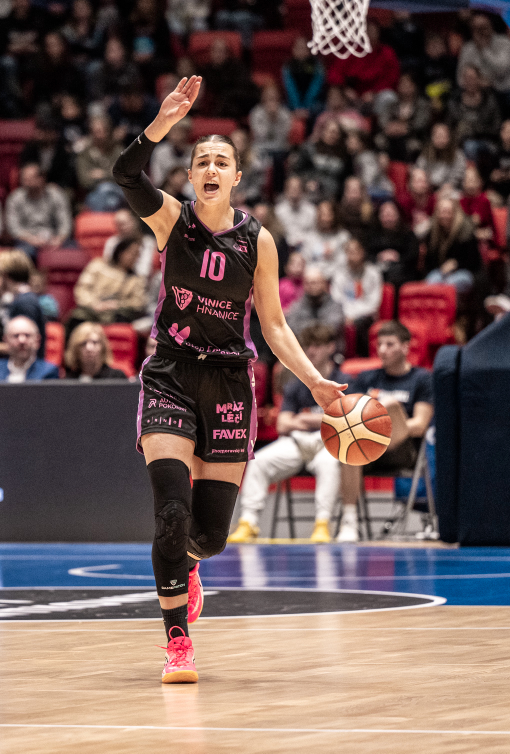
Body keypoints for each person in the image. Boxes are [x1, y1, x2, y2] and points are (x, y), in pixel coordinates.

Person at [111, 76, 346, 682]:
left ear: (237, 177)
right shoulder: (172, 220)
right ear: (191, 175)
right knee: (170, 513)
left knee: (210, 537)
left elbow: (274, 325)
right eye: (202, 162)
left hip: (229, 383)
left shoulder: (258, 240)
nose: (211, 169)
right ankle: (177, 642)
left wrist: (316, 383)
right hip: (171, 372)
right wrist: (161, 125)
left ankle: (190, 566)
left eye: (222, 162)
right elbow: (125, 173)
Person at [229, 323, 349, 543]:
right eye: (308, 346)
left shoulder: (344, 381)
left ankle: (322, 524)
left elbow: (347, 421)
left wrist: (303, 419)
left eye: (317, 345)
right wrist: (326, 419)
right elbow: (283, 425)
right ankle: (248, 522)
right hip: (298, 442)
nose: (311, 351)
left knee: (329, 464)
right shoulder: (297, 384)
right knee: (259, 461)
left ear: (331, 347)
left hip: (329, 442)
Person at [337, 320, 433, 541]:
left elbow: (419, 425)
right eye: (379, 344)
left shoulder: (421, 379)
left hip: (403, 450)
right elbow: (349, 414)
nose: (382, 350)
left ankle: (375, 432)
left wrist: (383, 425)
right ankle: (349, 522)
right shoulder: (366, 378)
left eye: (389, 344)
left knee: (390, 404)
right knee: (351, 447)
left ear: (405, 347)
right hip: (367, 446)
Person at [67, 236, 148, 334]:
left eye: (137, 255)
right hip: (92, 309)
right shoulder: (97, 266)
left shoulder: (136, 279)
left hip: (116, 314)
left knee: (123, 319)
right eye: (132, 253)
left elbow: (138, 302)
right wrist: (94, 304)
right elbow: (82, 289)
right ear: (121, 251)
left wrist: (116, 305)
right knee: (75, 318)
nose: (135, 258)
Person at [456, 13, 510, 113]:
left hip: (506, 89)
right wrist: (477, 83)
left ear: (491, 26)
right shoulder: (467, 49)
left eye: (483, 27)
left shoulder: (505, 43)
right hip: (480, 91)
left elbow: (501, 71)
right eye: (477, 29)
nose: (481, 32)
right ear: (471, 31)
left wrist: (484, 50)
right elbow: (460, 78)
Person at [6, 163, 72, 260]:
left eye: (30, 178)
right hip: (27, 240)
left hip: (53, 237)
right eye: (24, 179)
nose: (26, 182)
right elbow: (14, 228)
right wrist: (31, 239)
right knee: (20, 254)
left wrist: (59, 239)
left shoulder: (56, 195)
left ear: (41, 178)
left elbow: (65, 223)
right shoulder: (15, 198)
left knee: (74, 252)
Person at [330, 238, 382, 357]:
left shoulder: (373, 273)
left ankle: (362, 358)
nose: (352, 255)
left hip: (366, 315)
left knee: (361, 324)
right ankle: (338, 357)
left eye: (355, 251)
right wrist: (347, 315)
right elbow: (337, 299)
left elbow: (374, 302)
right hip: (344, 313)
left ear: (362, 252)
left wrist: (353, 316)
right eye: (349, 252)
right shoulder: (339, 274)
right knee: (331, 320)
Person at [423, 195, 482, 295]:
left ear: (455, 213)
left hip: (465, 271)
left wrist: (456, 264)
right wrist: (443, 268)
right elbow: (429, 262)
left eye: (448, 212)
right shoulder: (432, 233)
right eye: (442, 212)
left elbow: (474, 262)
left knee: (449, 285)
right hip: (441, 271)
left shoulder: (466, 231)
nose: (445, 216)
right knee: (432, 282)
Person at [0, 315, 60, 381]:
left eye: (27, 335)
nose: (22, 340)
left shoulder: (48, 371)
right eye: (16, 336)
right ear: (6, 340)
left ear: (37, 341)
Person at [366, 200, 420, 287]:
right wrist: (379, 257)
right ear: (379, 217)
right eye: (385, 215)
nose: (388, 219)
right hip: (378, 269)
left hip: (403, 271)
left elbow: (413, 256)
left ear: (398, 215)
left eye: (391, 215)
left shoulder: (408, 234)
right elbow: (366, 254)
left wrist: (398, 257)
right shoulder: (372, 233)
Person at [64, 322, 129, 381]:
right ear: (75, 349)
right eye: (83, 343)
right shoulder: (69, 380)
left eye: (94, 342)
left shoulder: (117, 377)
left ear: (103, 347)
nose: (89, 348)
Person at [416, 122, 467, 191]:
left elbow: (459, 174)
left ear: (448, 137)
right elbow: (419, 169)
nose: (440, 139)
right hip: (428, 186)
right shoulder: (426, 153)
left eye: (443, 136)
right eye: (438, 136)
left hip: (450, 188)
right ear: (432, 137)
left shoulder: (458, 155)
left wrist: (449, 185)